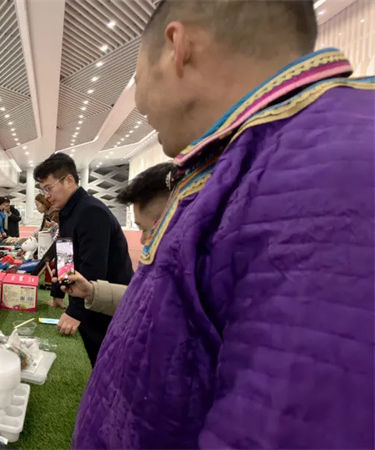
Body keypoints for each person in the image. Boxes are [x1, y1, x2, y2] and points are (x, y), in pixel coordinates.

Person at [74, 2, 375, 449]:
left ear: (178, 48)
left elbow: (283, 425)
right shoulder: (253, 158)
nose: (138, 104)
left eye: (137, 77)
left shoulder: (329, 166)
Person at [34, 153, 133, 367]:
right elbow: (65, 255)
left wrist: (75, 312)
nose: (47, 196)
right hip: (90, 298)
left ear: (69, 180)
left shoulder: (90, 211)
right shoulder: (69, 210)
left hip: (107, 304)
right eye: (43, 191)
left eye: (48, 188)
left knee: (99, 360)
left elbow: (94, 268)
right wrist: (58, 294)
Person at [61, 162, 175, 315]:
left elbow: (94, 264)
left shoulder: (91, 211)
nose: (142, 240)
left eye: (147, 230)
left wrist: (78, 309)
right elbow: (145, 298)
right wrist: (91, 292)